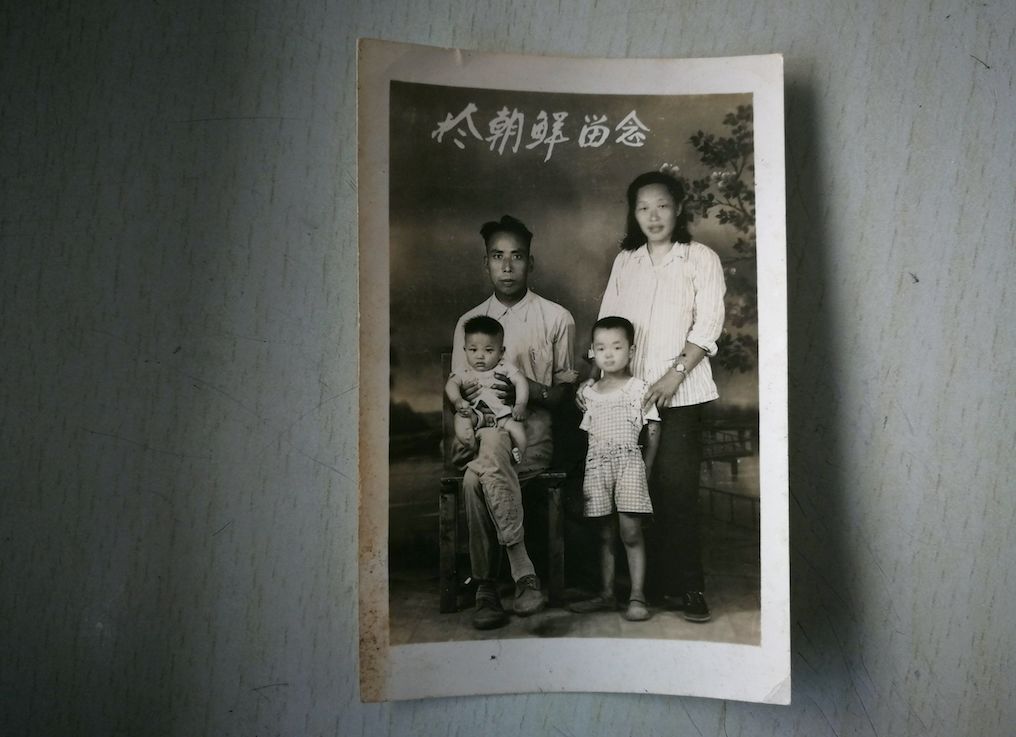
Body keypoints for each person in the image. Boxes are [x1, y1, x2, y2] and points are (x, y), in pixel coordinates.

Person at [586, 168, 726, 623]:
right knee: (632, 491)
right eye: (643, 207)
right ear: (634, 213)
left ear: (678, 208)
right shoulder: (626, 261)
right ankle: (646, 587)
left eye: (662, 205)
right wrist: (595, 383)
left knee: (676, 489)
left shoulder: (700, 258)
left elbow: (708, 326)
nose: (653, 215)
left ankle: (689, 587)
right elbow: (607, 323)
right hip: (627, 397)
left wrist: (674, 376)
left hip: (681, 394)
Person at [450, 214, 578, 630]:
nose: (507, 266)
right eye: (497, 256)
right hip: (482, 437)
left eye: (517, 256)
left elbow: (564, 397)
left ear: (531, 262)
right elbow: (460, 393)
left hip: (531, 438)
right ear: (485, 263)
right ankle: (524, 576)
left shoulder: (556, 317)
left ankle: (485, 588)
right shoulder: (470, 323)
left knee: (475, 479)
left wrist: (528, 390)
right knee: (486, 452)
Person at [568, 316, 660, 621]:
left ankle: (637, 596)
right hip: (598, 468)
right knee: (605, 533)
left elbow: (653, 429)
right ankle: (607, 595)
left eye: (617, 347)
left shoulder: (639, 389)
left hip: (629, 466)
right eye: (601, 348)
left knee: (630, 531)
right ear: (593, 352)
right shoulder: (589, 393)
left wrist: (647, 468)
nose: (608, 354)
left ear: (631, 351)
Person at [445, 315, 529, 465]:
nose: (480, 356)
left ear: (501, 352)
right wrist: (457, 399)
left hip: (502, 415)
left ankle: (517, 452)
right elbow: (451, 384)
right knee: (461, 418)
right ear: (465, 350)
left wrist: (520, 404)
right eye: (473, 350)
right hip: (475, 413)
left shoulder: (504, 366)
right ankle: (471, 444)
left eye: (489, 350)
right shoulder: (463, 369)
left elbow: (521, 381)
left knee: (517, 429)